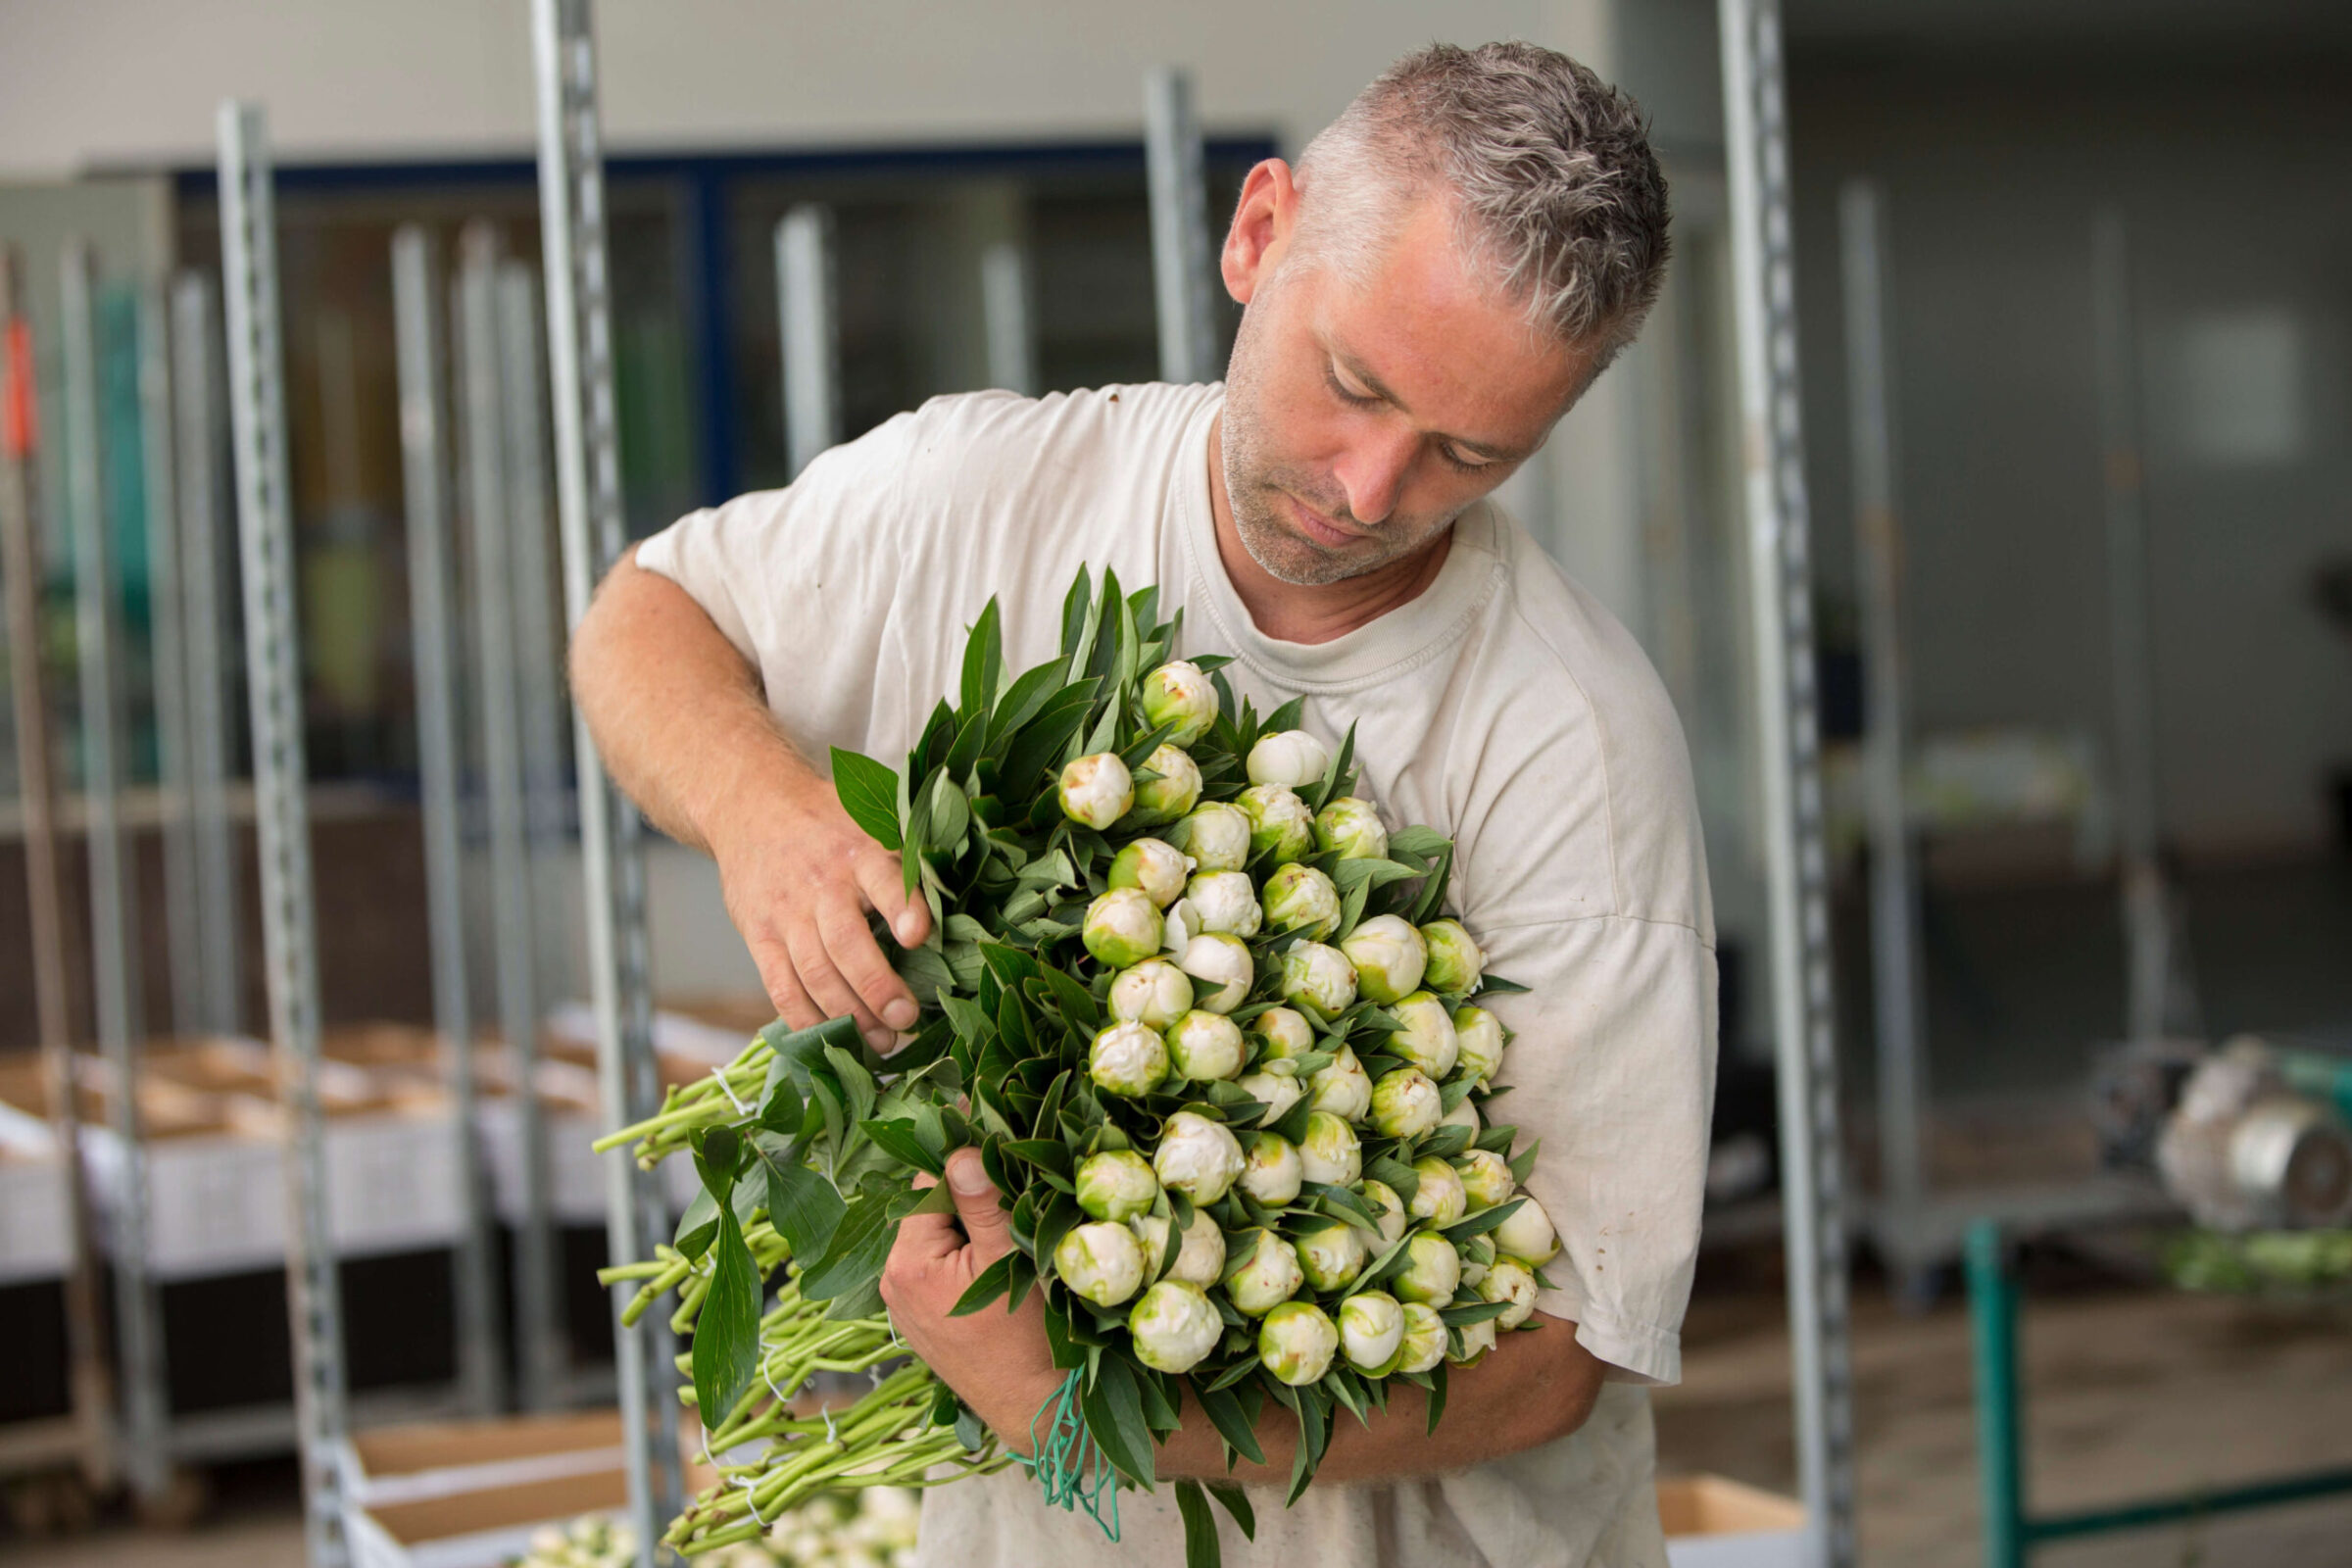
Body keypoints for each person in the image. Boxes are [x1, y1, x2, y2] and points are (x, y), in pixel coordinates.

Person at [571, 39, 1710, 1568]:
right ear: (1258, 235)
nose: (1370, 490)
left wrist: (1078, 1410)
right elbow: (647, 615)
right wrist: (763, 815)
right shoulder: (988, 498)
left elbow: (1568, 1353)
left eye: (1468, 453)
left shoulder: (1575, 745)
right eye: (1354, 385)